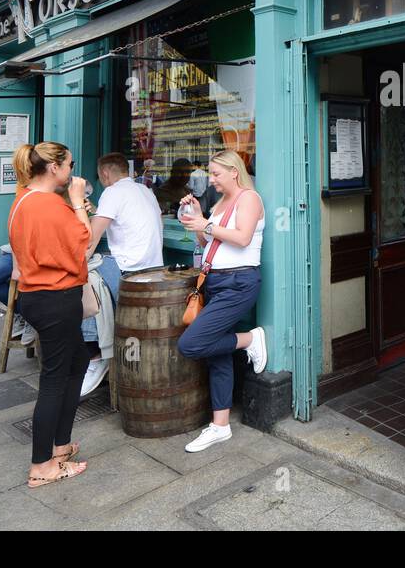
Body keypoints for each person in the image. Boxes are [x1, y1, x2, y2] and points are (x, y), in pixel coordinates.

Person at [8, 142, 92, 488]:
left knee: (78, 362)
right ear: (55, 168)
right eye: (70, 165)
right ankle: (42, 466)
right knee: (55, 379)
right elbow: (83, 243)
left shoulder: (24, 199)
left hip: (38, 296)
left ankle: (60, 446)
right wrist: (77, 202)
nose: (73, 171)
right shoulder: (50, 205)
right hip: (56, 298)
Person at [175, 150, 269, 453]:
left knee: (190, 344)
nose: (211, 179)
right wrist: (192, 217)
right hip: (215, 281)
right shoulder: (219, 203)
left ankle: (249, 339)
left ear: (233, 172)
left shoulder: (249, 199)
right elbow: (209, 242)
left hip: (238, 282)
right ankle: (220, 425)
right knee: (217, 357)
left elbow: (242, 238)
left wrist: (206, 224)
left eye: (216, 173)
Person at [79, 152, 164, 396]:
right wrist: (98, 210)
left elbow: (91, 239)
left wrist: (76, 264)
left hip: (129, 270)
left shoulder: (112, 192)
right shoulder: (144, 190)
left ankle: (96, 355)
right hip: (155, 269)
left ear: (105, 174)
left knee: (83, 278)